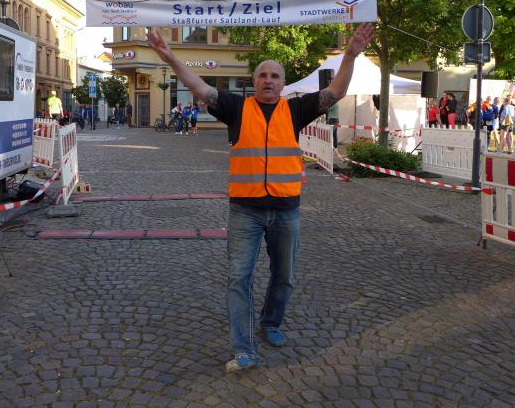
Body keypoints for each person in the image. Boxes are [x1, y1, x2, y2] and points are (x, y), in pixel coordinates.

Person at [147, 23, 375, 373]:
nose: (269, 80)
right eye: (263, 75)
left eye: (275, 76)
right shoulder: (236, 108)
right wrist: (170, 57)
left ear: (283, 84)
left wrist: (350, 55)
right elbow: (199, 87)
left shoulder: (295, 110)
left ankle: (271, 322)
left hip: (286, 211)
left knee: (284, 277)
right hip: (246, 211)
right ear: (254, 81)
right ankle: (244, 348)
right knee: (239, 278)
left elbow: (336, 92)